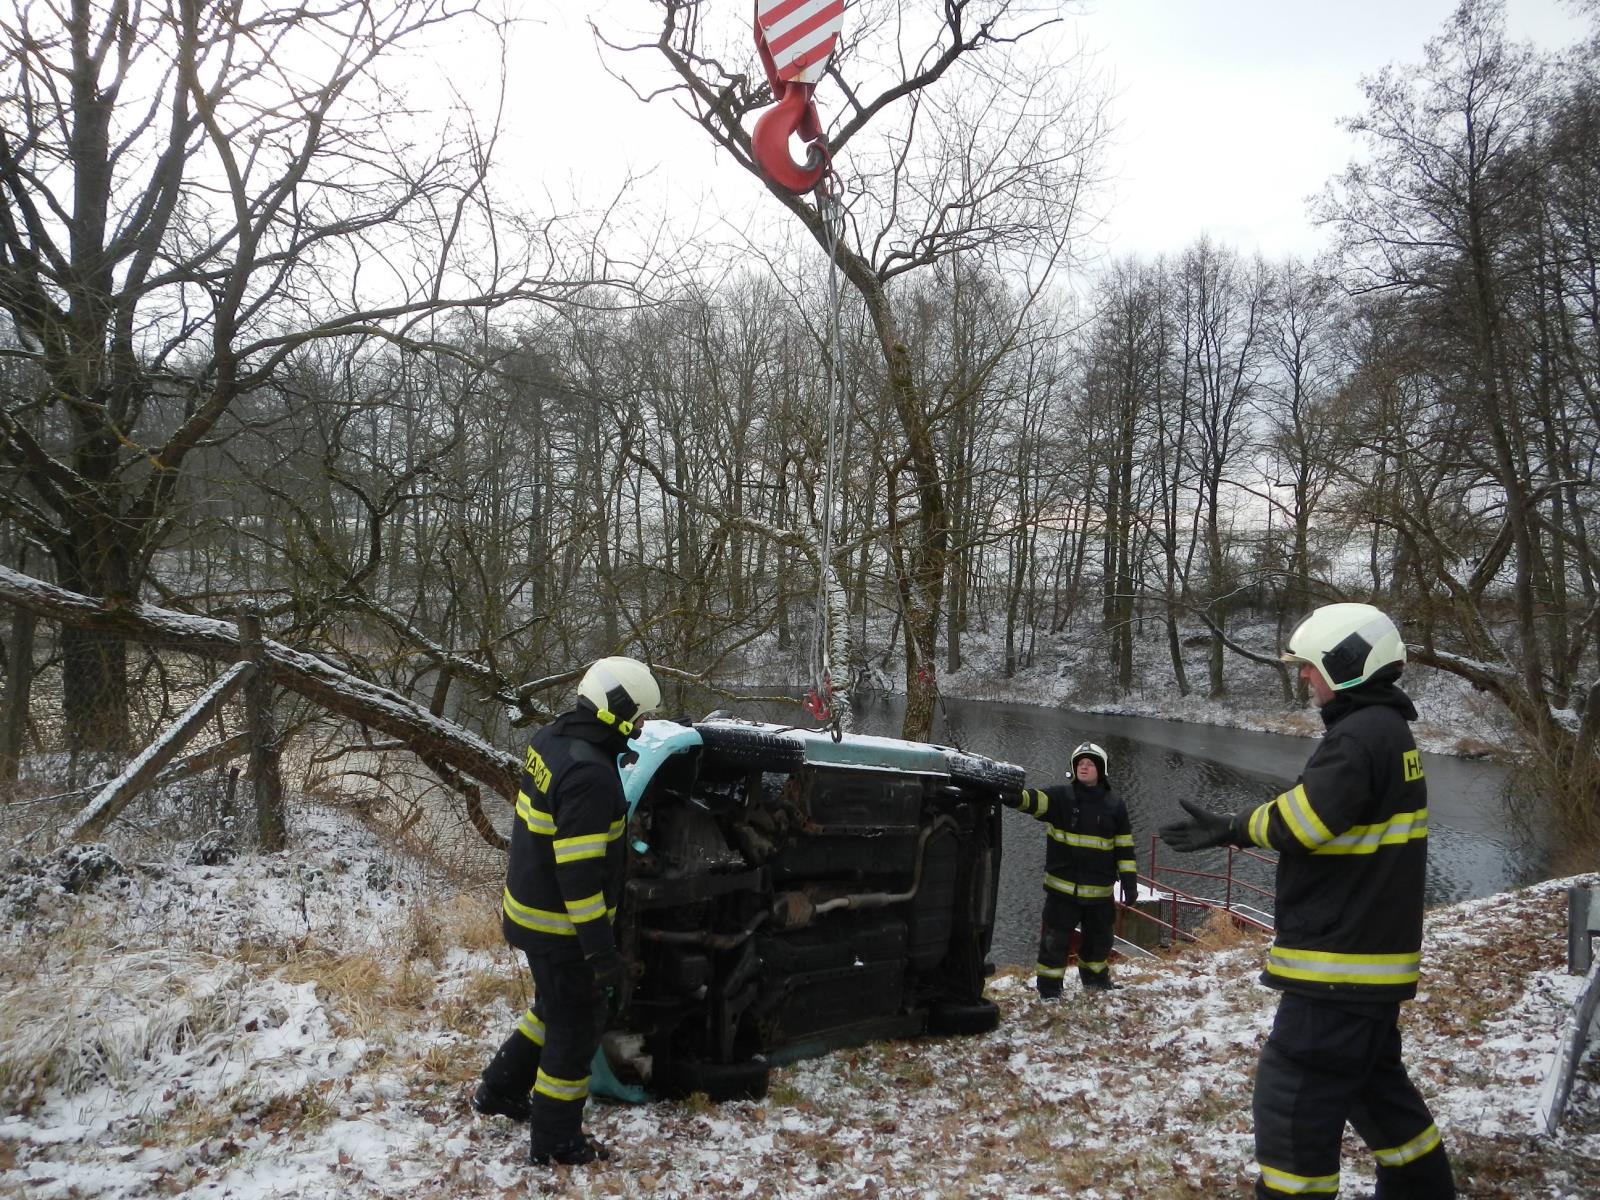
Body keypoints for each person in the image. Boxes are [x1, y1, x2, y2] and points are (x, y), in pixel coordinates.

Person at [1159, 603, 1455, 1199]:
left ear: (1346, 664)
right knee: (1375, 1087)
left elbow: (1306, 819)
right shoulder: (1388, 732)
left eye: (1310, 666)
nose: (1303, 678)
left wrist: (1232, 826)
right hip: (1370, 961)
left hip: (1337, 964)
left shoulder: (1360, 735)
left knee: (1293, 1098)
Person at [471, 656, 661, 1167]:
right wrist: (601, 951)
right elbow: (577, 876)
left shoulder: (551, 739)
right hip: (561, 926)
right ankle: (557, 1141)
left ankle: (499, 1091)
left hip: (529, 910)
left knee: (553, 1008)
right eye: (638, 717)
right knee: (576, 1025)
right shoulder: (591, 775)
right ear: (616, 710)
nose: (641, 728)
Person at [1003, 741, 1137, 995]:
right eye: (1080, 764)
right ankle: (1050, 991)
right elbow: (1034, 800)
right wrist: (1014, 797)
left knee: (1099, 943)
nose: (1084, 768)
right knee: (1054, 943)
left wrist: (1129, 882)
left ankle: (1096, 982)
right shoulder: (1060, 798)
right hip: (1062, 892)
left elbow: (1125, 848)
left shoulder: (1115, 805)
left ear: (1101, 770)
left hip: (1099, 894)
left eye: (1090, 764)